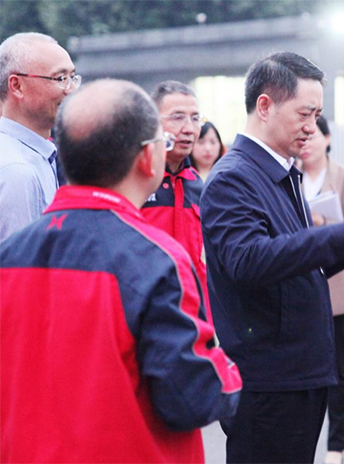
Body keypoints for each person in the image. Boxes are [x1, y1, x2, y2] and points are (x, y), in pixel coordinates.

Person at [0, 79, 242, 463]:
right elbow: (192, 398)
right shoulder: (156, 259)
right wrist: (227, 370)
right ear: (148, 157)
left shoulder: (10, 253)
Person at [199, 51, 344, 464]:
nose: (312, 126)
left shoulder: (278, 171)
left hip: (297, 374)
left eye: (317, 115)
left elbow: (290, 260)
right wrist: (342, 235)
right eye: (305, 113)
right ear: (264, 106)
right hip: (270, 381)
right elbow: (248, 260)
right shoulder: (234, 177)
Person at [300, 115, 344, 464]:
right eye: (303, 136)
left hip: (337, 283)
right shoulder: (289, 177)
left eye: (314, 135)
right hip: (298, 282)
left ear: (327, 139)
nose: (307, 143)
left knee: (338, 367)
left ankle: (335, 447)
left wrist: (322, 224)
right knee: (304, 366)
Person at [141, 81, 210, 319]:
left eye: (195, 118)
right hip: (146, 310)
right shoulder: (135, 180)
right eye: (178, 118)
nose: (189, 129)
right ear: (152, 121)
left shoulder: (199, 185)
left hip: (195, 313)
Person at [0, 32, 79, 242]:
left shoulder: (37, 154)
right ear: (17, 86)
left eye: (73, 78)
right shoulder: (16, 171)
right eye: (61, 78)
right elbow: (18, 259)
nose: (71, 90)